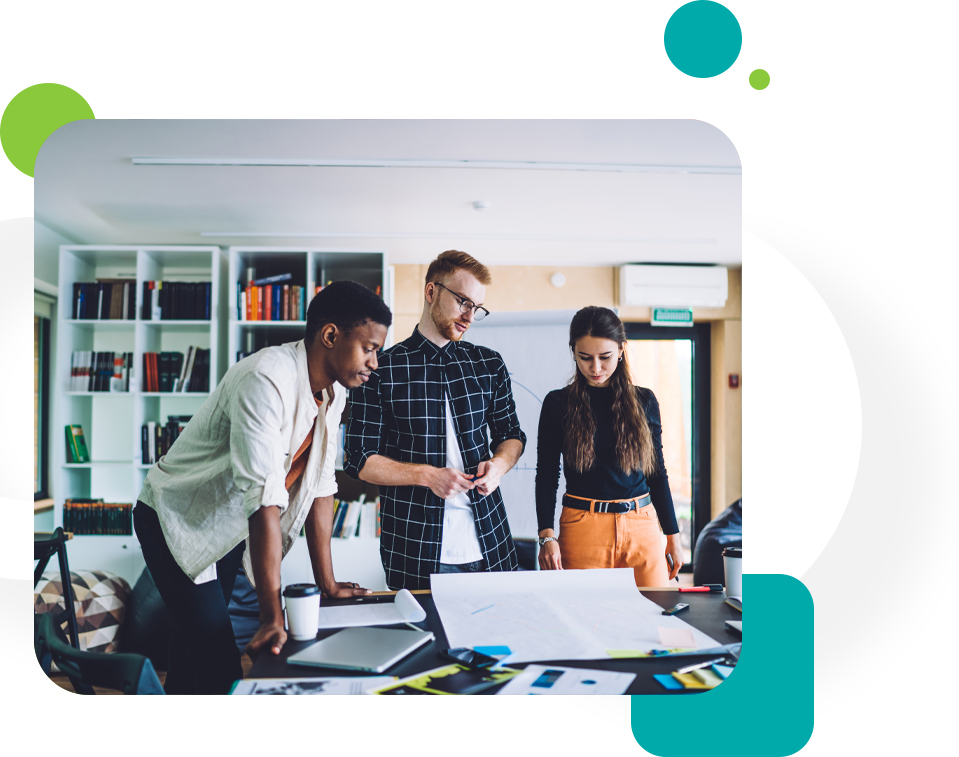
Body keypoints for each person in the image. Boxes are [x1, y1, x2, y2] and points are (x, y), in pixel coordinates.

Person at [132, 280, 392, 694]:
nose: (375, 362)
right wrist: (272, 617)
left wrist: (328, 583)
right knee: (219, 662)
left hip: (228, 522)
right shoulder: (265, 378)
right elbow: (264, 500)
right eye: (370, 347)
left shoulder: (334, 393)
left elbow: (322, 486)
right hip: (176, 518)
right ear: (330, 335)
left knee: (191, 650)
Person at [345, 250, 526, 590]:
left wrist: (499, 466)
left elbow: (512, 435)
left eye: (477, 308)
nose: (469, 316)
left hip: (492, 544)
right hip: (415, 550)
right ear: (431, 292)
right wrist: (427, 476)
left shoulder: (489, 365)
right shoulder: (381, 369)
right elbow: (359, 459)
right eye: (463, 302)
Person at [534, 306, 683, 586]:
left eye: (605, 357)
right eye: (585, 358)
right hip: (582, 527)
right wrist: (546, 536)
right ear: (573, 353)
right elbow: (546, 475)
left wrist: (673, 535)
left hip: (642, 525)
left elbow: (656, 472)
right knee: (585, 620)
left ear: (622, 350)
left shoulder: (645, 401)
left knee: (654, 616)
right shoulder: (557, 404)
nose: (596, 368)